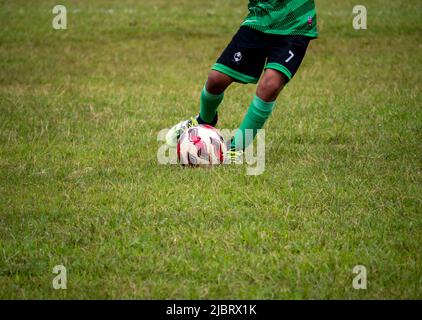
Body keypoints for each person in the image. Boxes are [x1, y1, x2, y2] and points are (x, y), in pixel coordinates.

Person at [166, 0, 318, 162]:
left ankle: (234, 149)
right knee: (216, 80)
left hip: (296, 22)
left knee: (270, 86)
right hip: (260, 19)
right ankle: (204, 120)